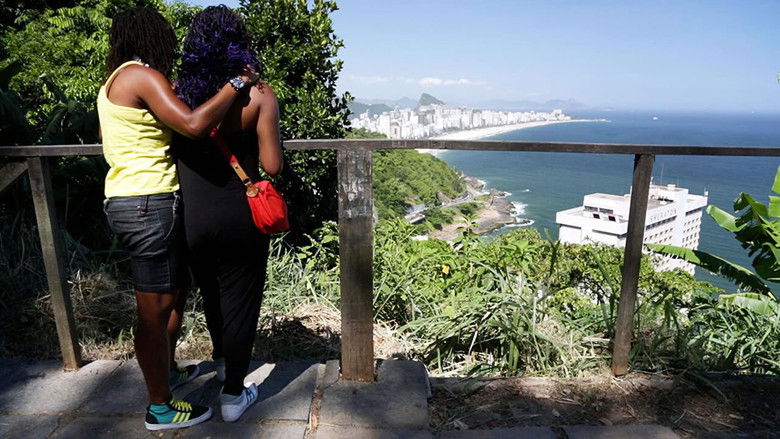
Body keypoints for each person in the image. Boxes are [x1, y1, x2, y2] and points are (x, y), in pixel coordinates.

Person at [97, 7, 258, 430]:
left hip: (130, 199)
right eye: (166, 38)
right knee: (154, 310)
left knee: (173, 293)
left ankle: (166, 373)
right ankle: (160, 407)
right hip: (147, 202)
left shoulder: (116, 80)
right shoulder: (142, 76)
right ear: (151, 38)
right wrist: (236, 83)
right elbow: (192, 124)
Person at [174, 5, 283, 423]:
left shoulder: (178, 95)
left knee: (212, 295)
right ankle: (234, 395)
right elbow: (271, 166)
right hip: (241, 216)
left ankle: (221, 364)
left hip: (193, 216)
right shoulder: (259, 95)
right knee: (241, 301)